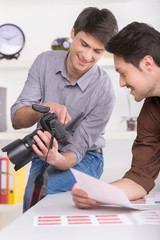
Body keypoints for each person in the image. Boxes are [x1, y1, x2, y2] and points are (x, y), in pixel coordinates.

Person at [11, 7, 118, 212]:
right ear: (72, 33)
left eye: (97, 51)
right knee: (31, 196)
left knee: (43, 191)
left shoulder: (104, 91)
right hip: (44, 149)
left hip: (86, 156)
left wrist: (56, 159)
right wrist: (43, 108)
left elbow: (76, 151)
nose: (87, 56)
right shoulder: (44, 62)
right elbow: (17, 119)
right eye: (84, 44)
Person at [72, 21, 160, 209]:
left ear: (147, 63)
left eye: (123, 73)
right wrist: (95, 194)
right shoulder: (152, 110)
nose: (120, 83)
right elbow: (140, 177)